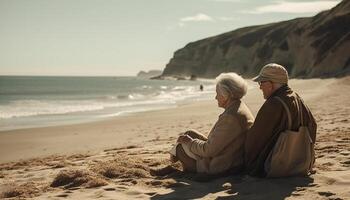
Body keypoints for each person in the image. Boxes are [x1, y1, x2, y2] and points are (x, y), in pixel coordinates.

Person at [171, 72, 254, 175]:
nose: (215, 97)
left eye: (217, 93)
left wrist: (190, 142)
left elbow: (209, 151)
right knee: (189, 133)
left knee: (179, 149)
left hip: (222, 166)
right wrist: (190, 140)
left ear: (226, 95)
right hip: (230, 155)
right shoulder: (239, 107)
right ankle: (176, 162)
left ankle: (182, 167)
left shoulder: (230, 118)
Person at [244, 63, 317, 177]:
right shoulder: (296, 97)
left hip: (277, 165)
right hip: (301, 162)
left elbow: (255, 138)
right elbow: (313, 125)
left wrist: (248, 165)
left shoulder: (274, 104)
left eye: (261, 82)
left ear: (270, 84)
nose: (260, 87)